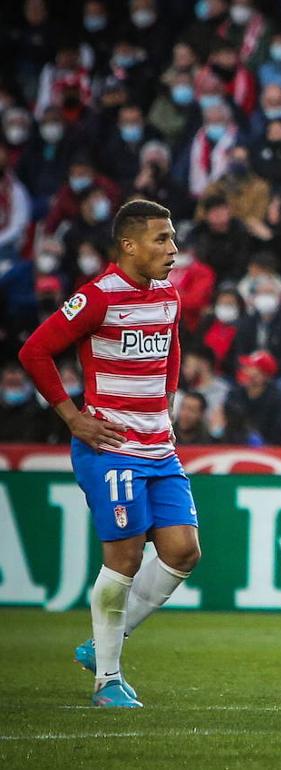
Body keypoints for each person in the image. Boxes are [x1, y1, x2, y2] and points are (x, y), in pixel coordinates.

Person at [17, 200, 200, 708]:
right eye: (162, 239)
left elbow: (171, 343)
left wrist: (166, 399)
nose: (172, 248)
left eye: (172, 237)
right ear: (129, 245)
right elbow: (34, 351)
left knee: (184, 551)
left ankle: (99, 645)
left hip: (158, 445)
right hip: (112, 445)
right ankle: (108, 680)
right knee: (124, 556)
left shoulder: (168, 294)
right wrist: (74, 418)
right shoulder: (96, 297)